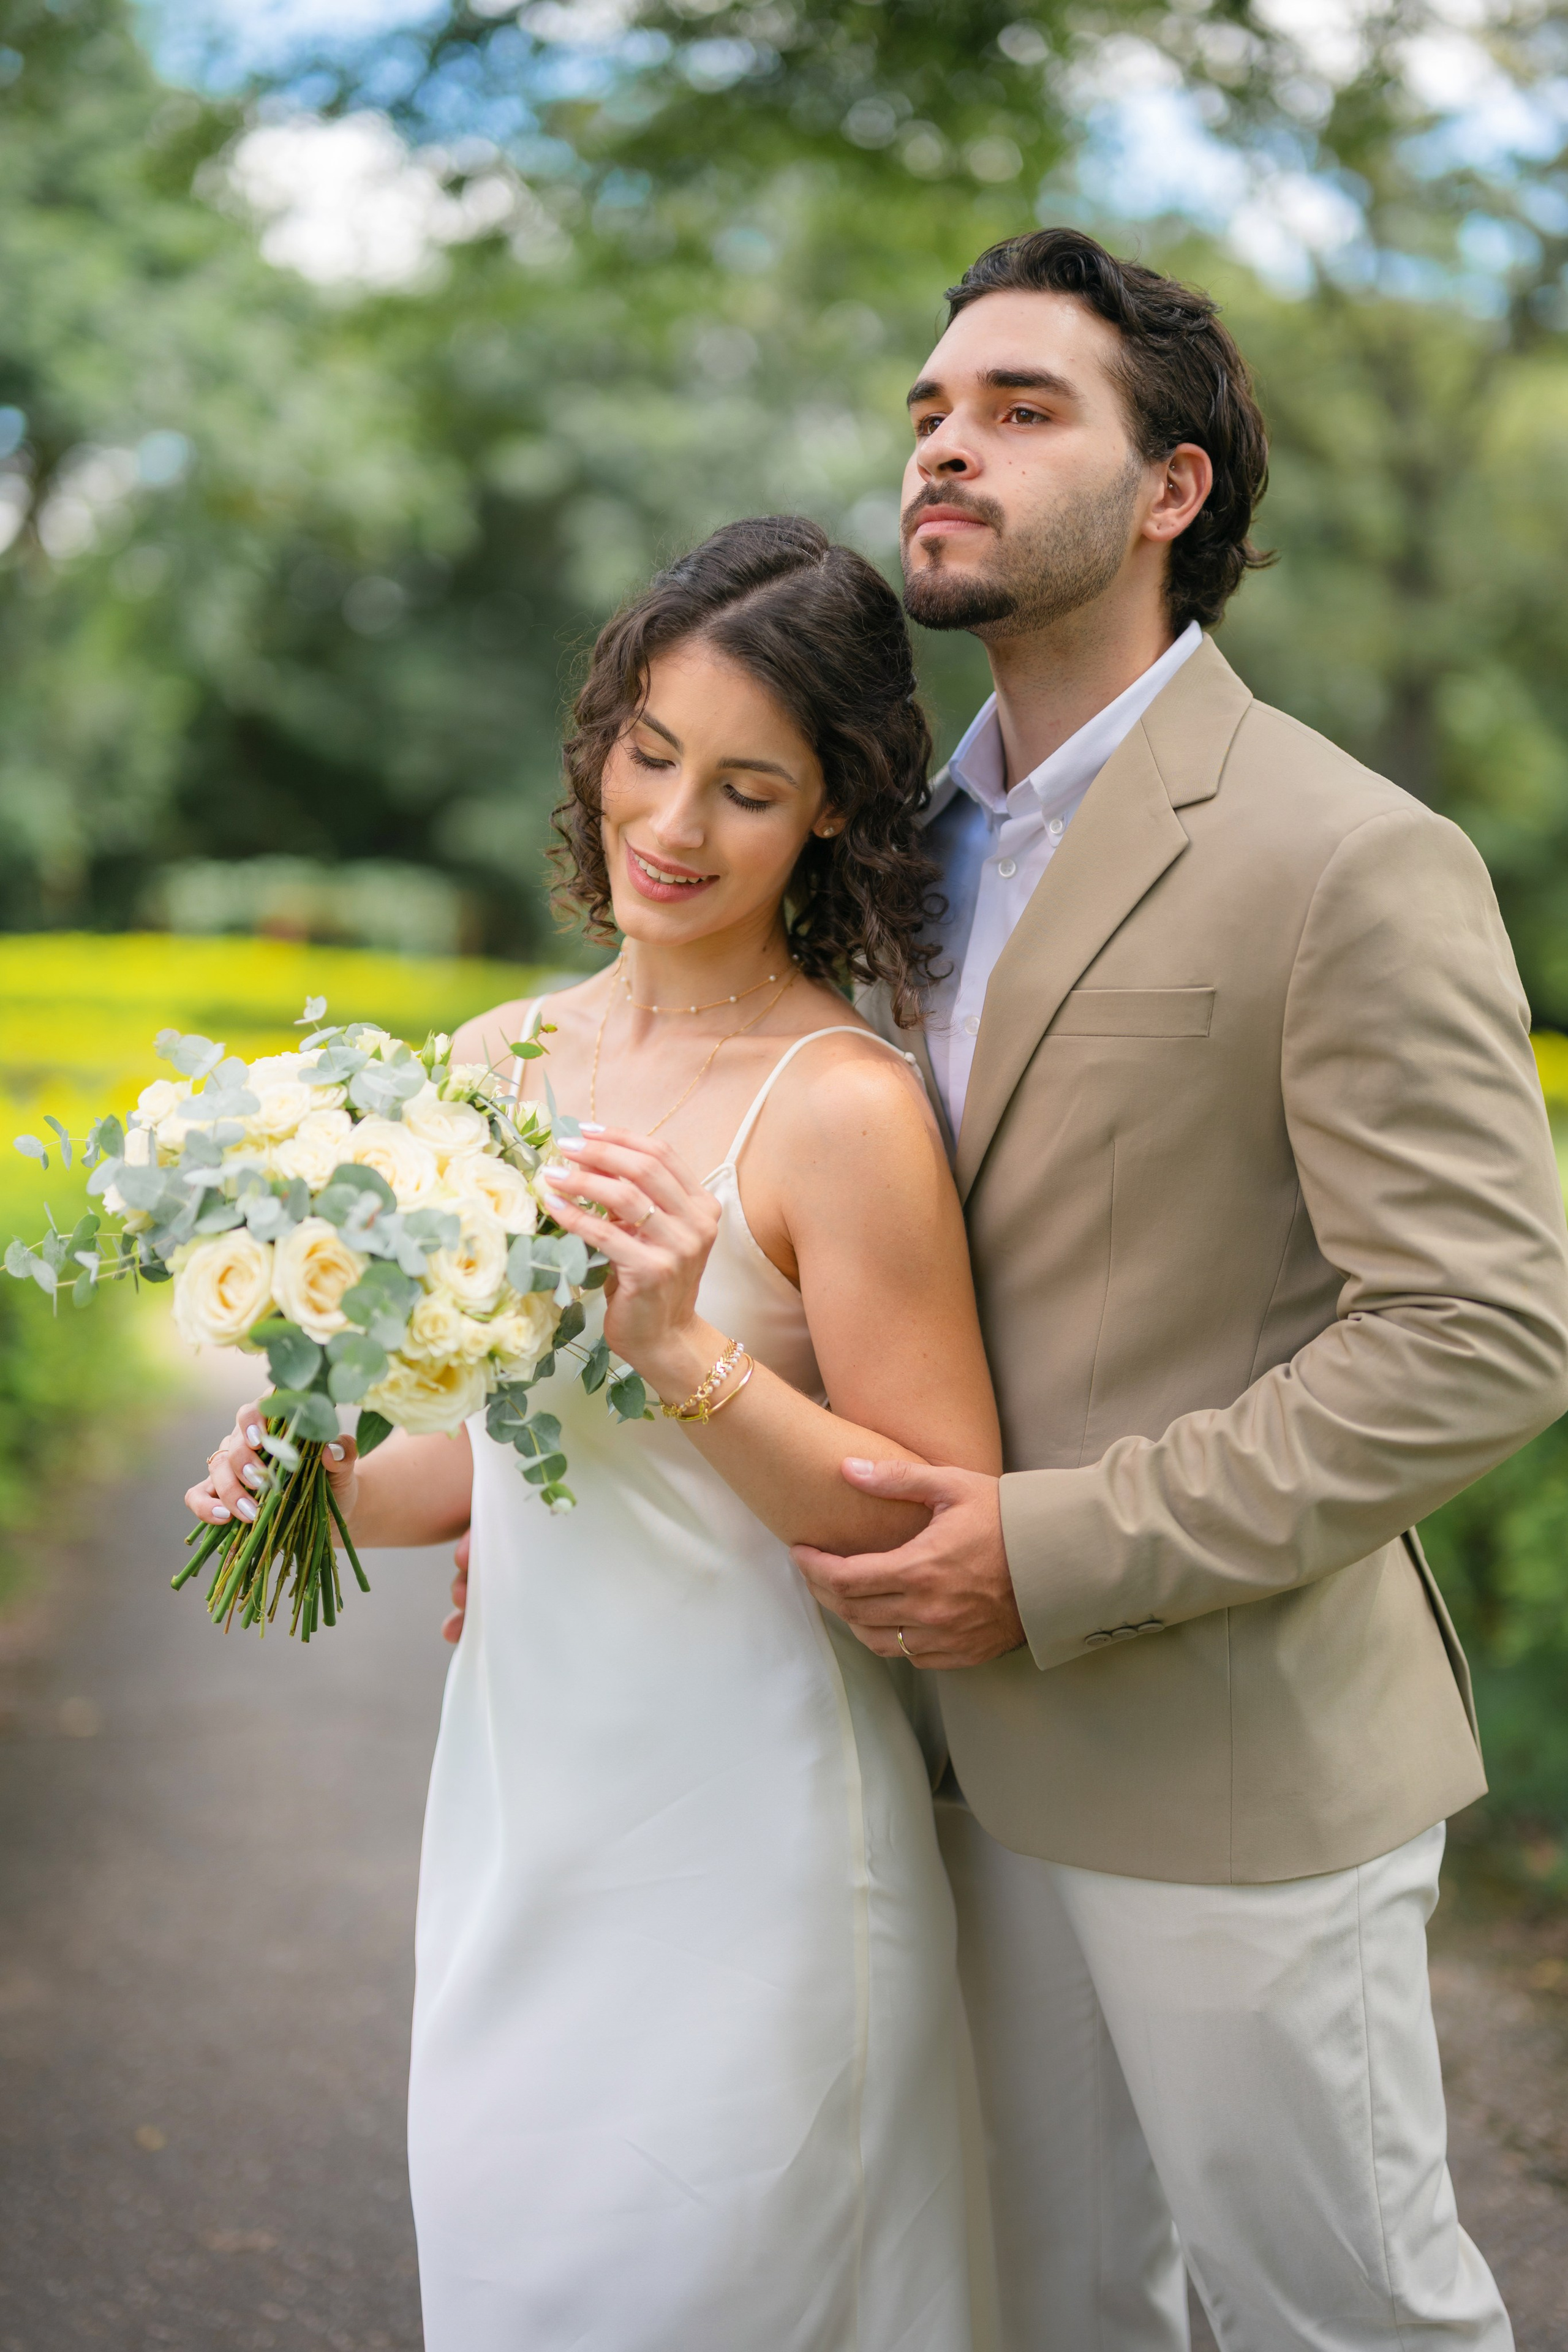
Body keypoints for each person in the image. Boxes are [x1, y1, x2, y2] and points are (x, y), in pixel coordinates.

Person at [791, 226, 1568, 2350]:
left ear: (1172, 492)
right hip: (917, 1757)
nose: (946, 447)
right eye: (933, 411)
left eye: (1022, 409)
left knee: (1346, 2320)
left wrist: (1056, 1555)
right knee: (1043, 2310)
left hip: (1232, 1763)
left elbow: (1484, 1335)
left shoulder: (1349, 853)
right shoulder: (876, 863)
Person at [189, 517, 1002, 2352]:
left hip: (759, 1834)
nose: (676, 826)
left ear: (835, 817)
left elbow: (923, 1521)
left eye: (748, 786)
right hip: (519, 1804)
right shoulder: (494, 1063)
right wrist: (314, 1476)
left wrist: (679, 1347)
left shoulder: (846, 1109)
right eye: (649, 754)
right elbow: (486, 1464)